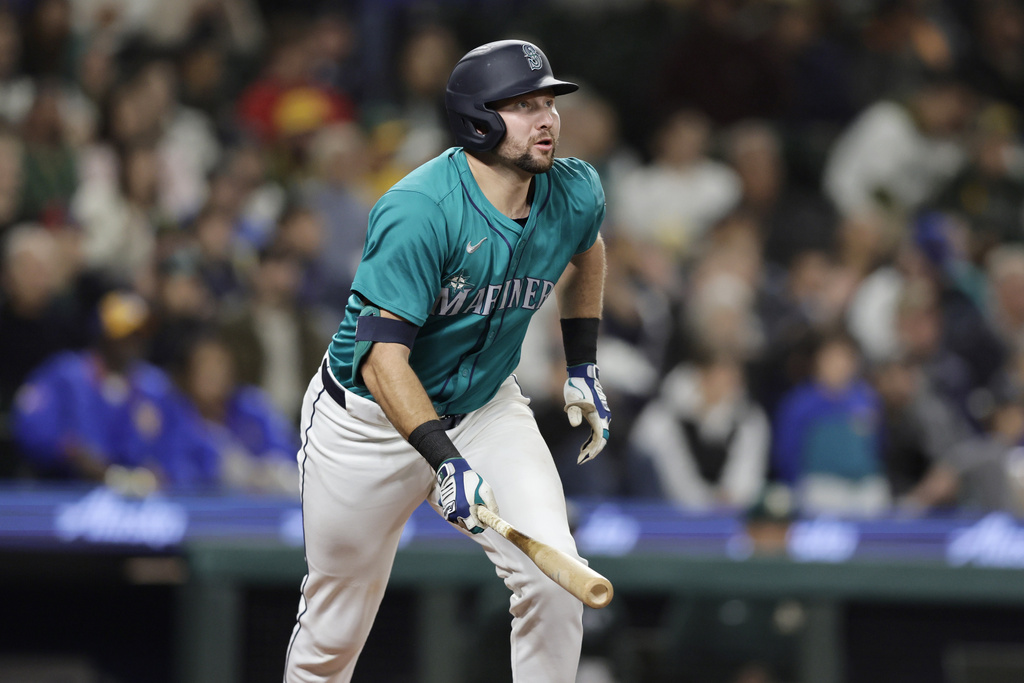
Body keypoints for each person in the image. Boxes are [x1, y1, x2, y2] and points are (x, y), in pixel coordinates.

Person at [283, 40, 610, 683]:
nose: (546, 118)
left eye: (549, 102)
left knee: (554, 585)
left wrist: (582, 365)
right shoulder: (419, 209)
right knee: (333, 634)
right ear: (477, 119)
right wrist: (445, 462)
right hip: (367, 426)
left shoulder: (574, 189)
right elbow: (381, 361)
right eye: (522, 105)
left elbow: (588, 254)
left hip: (485, 408)